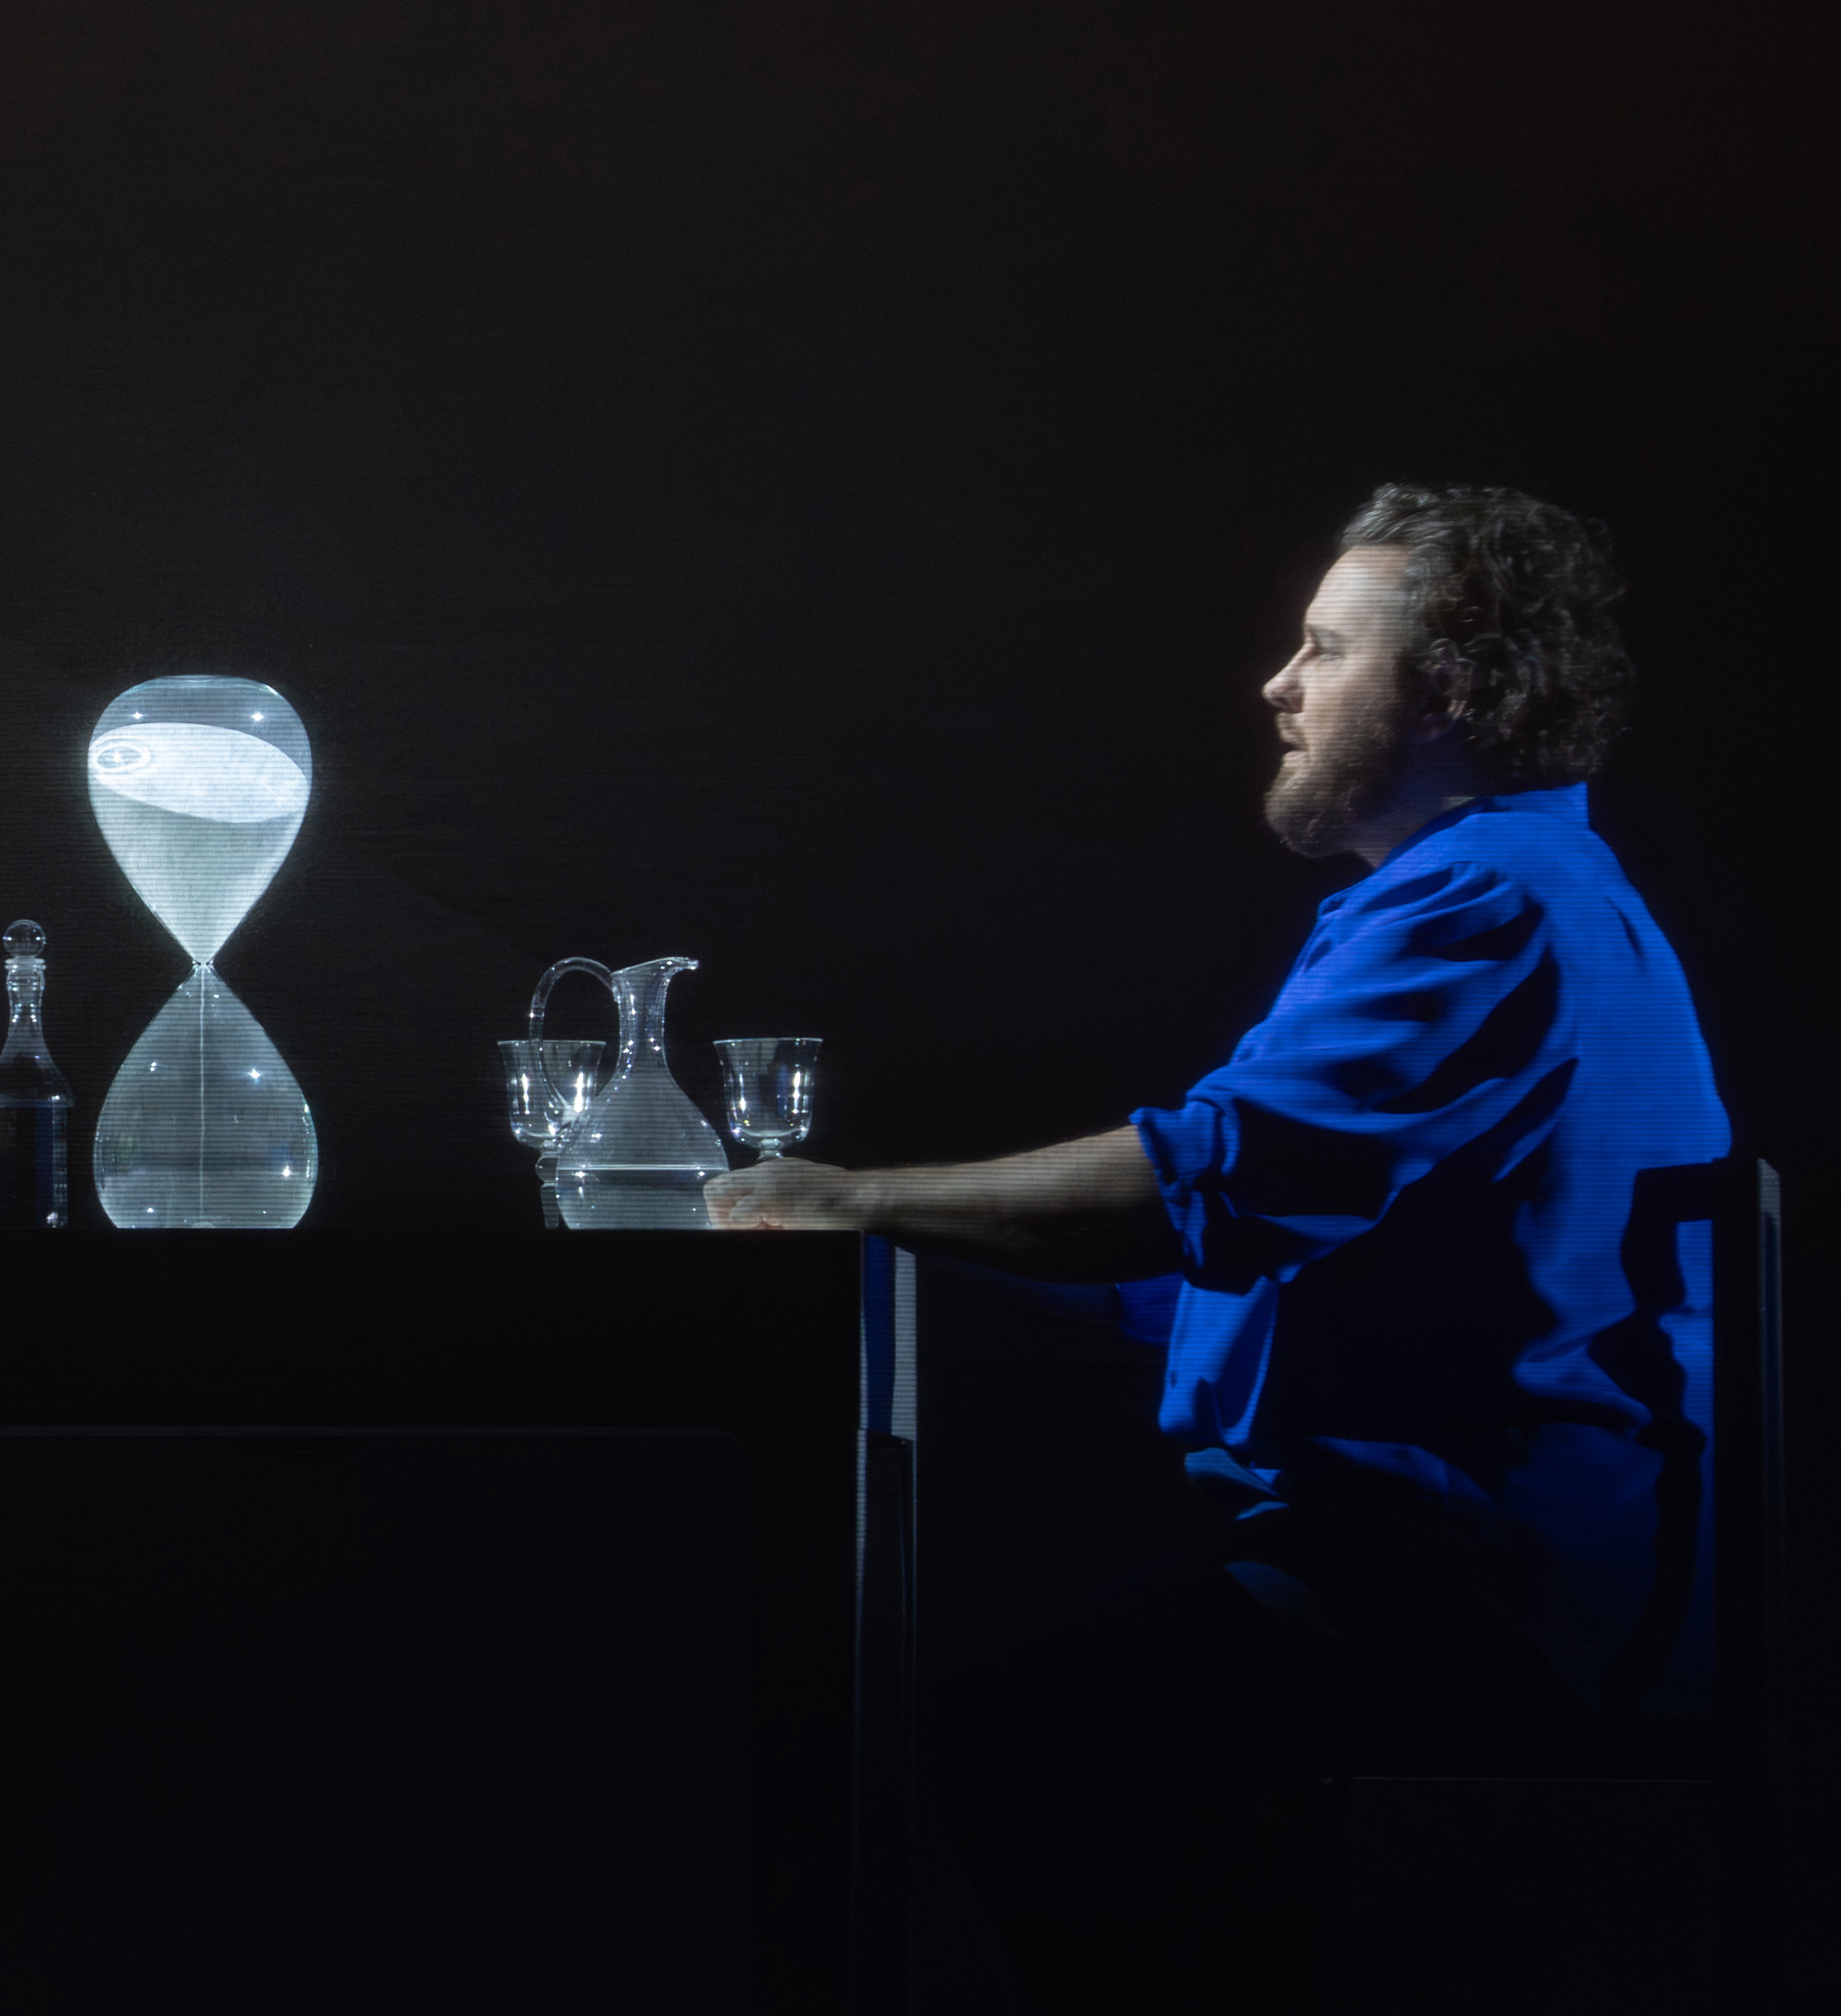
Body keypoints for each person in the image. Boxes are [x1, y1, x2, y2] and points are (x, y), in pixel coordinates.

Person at [707, 483, 1729, 2006]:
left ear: (1451, 693)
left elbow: (1208, 1179)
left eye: (1326, 649)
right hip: (1459, 1558)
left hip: (1490, 1585)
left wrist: (855, 1197)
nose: (1277, 685)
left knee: (1019, 1730)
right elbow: (1225, 1259)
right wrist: (890, 1227)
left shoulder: (1490, 904)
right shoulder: (1500, 889)